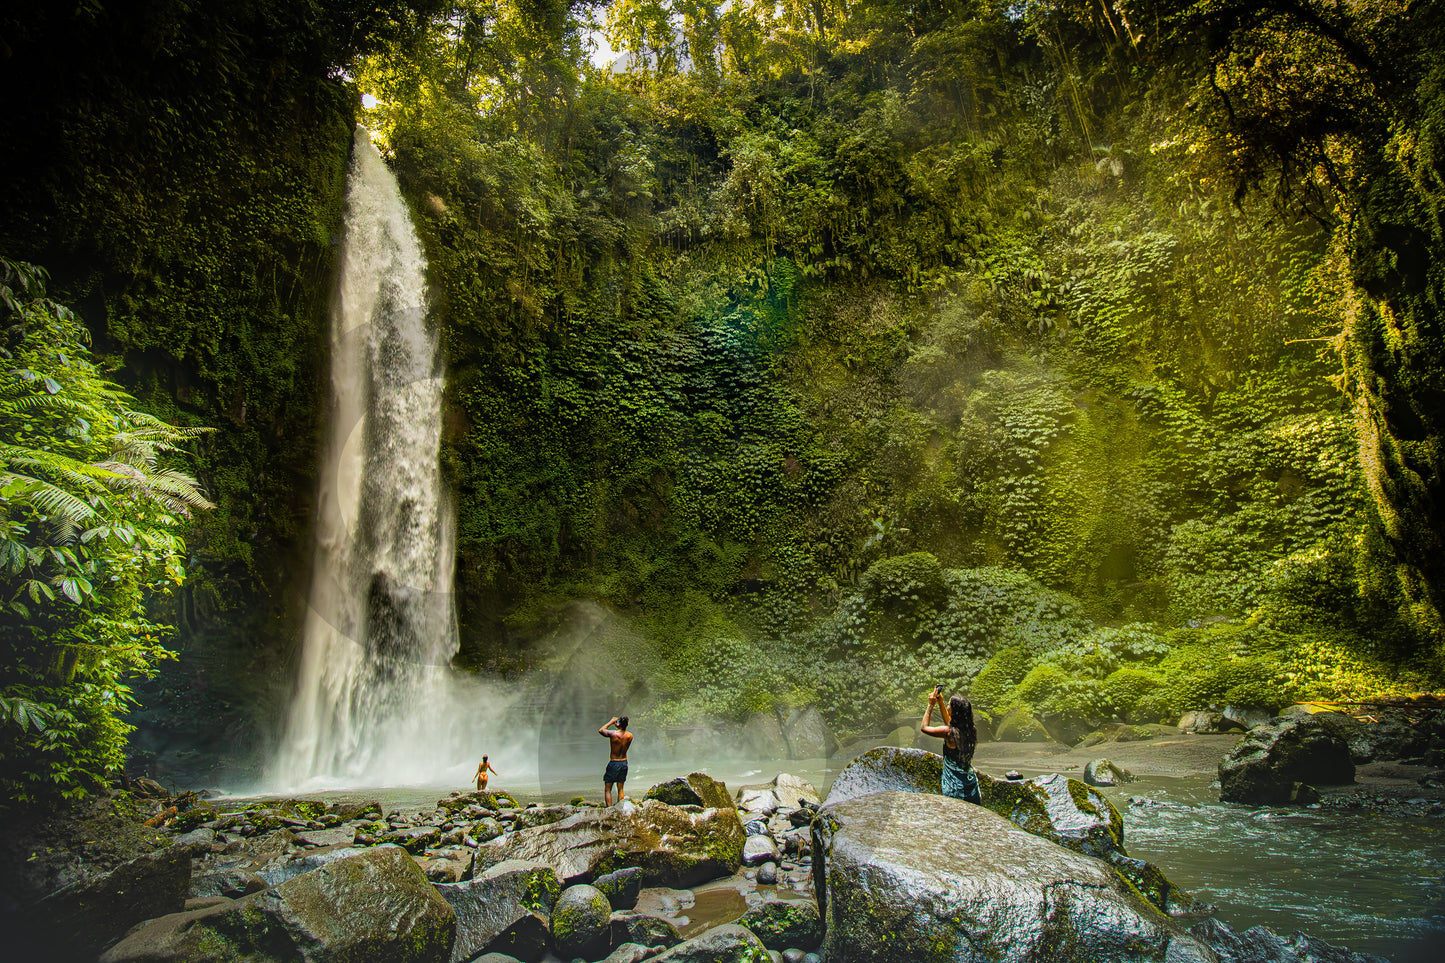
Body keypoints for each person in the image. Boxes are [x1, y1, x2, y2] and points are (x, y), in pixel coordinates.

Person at [921, 689, 982, 804]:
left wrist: (930, 705)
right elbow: (950, 722)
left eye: (949, 706)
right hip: (970, 785)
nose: (948, 708)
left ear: (954, 712)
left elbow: (924, 728)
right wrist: (941, 703)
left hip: (954, 787)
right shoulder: (969, 729)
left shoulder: (948, 733)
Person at [598, 715, 633, 805]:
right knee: (620, 788)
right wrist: (618, 725)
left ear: (619, 724)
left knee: (608, 789)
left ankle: (609, 810)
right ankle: (620, 808)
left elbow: (601, 730)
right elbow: (622, 733)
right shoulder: (630, 736)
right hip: (624, 763)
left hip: (614, 763)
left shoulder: (613, 734)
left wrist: (611, 722)